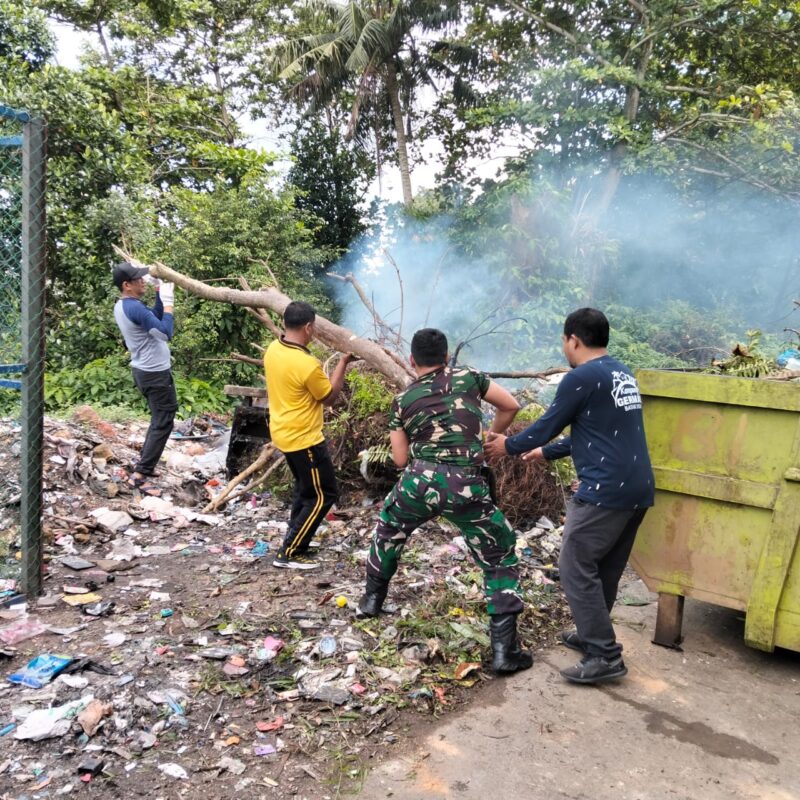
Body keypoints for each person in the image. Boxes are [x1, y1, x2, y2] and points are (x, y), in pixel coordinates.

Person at [484, 308, 654, 685]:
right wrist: (545, 453)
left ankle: (605, 655)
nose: (565, 347)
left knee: (575, 567)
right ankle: (595, 634)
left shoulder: (581, 377)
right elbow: (595, 431)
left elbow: (547, 425)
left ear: (573, 339)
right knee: (604, 567)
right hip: (637, 488)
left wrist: (508, 445)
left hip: (604, 491)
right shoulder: (621, 373)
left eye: (564, 342)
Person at [357, 328, 533, 674]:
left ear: (411, 360)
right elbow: (510, 405)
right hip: (466, 485)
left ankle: (371, 601)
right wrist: (492, 437)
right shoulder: (470, 378)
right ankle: (503, 651)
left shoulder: (402, 400)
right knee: (498, 553)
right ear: (447, 355)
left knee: (389, 528)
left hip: (419, 482)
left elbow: (398, 460)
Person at [264, 301, 356, 570]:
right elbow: (329, 397)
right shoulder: (307, 364)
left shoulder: (274, 349)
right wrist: (342, 363)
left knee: (305, 491)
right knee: (323, 495)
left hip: (283, 432)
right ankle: (289, 552)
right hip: (304, 439)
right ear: (308, 327)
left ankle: (298, 541)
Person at [112, 261, 178, 493]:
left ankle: (145, 465)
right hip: (154, 373)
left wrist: (160, 292)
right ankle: (140, 475)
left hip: (146, 371)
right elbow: (164, 332)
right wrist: (169, 305)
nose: (143, 281)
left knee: (159, 418)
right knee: (164, 421)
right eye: (138, 279)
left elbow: (155, 319)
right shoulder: (135, 308)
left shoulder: (126, 306)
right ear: (126, 285)